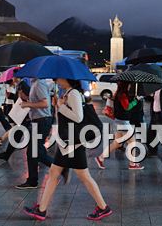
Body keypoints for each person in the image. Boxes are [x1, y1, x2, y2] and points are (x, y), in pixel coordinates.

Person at [23, 78, 112, 221]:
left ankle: (103, 207)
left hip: (73, 144)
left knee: (84, 177)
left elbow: (78, 117)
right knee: (55, 173)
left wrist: (61, 106)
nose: (56, 80)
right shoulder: (68, 93)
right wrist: (59, 105)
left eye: (59, 78)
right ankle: (41, 209)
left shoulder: (74, 94)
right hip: (68, 143)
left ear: (67, 79)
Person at [15, 78, 56, 189]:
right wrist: (26, 99)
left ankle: (33, 180)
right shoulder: (34, 83)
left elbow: (45, 103)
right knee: (37, 152)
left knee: (33, 152)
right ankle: (33, 180)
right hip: (38, 120)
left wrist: (28, 103)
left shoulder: (39, 84)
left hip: (42, 121)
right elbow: (38, 101)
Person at [95, 81, 144, 170]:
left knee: (117, 143)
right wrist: (136, 100)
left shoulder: (118, 94)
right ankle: (132, 164)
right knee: (132, 143)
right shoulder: (122, 95)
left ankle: (100, 158)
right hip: (123, 123)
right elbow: (127, 107)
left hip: (118, 121)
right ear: (125, 85)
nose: (130, 86)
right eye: (129, 84)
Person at [147, 87, 162, 156]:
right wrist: (149, 95)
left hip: (161, 115)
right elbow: (152, 100)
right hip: (154, 114)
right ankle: (152, 151)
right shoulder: (154, 89)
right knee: (151, 134)